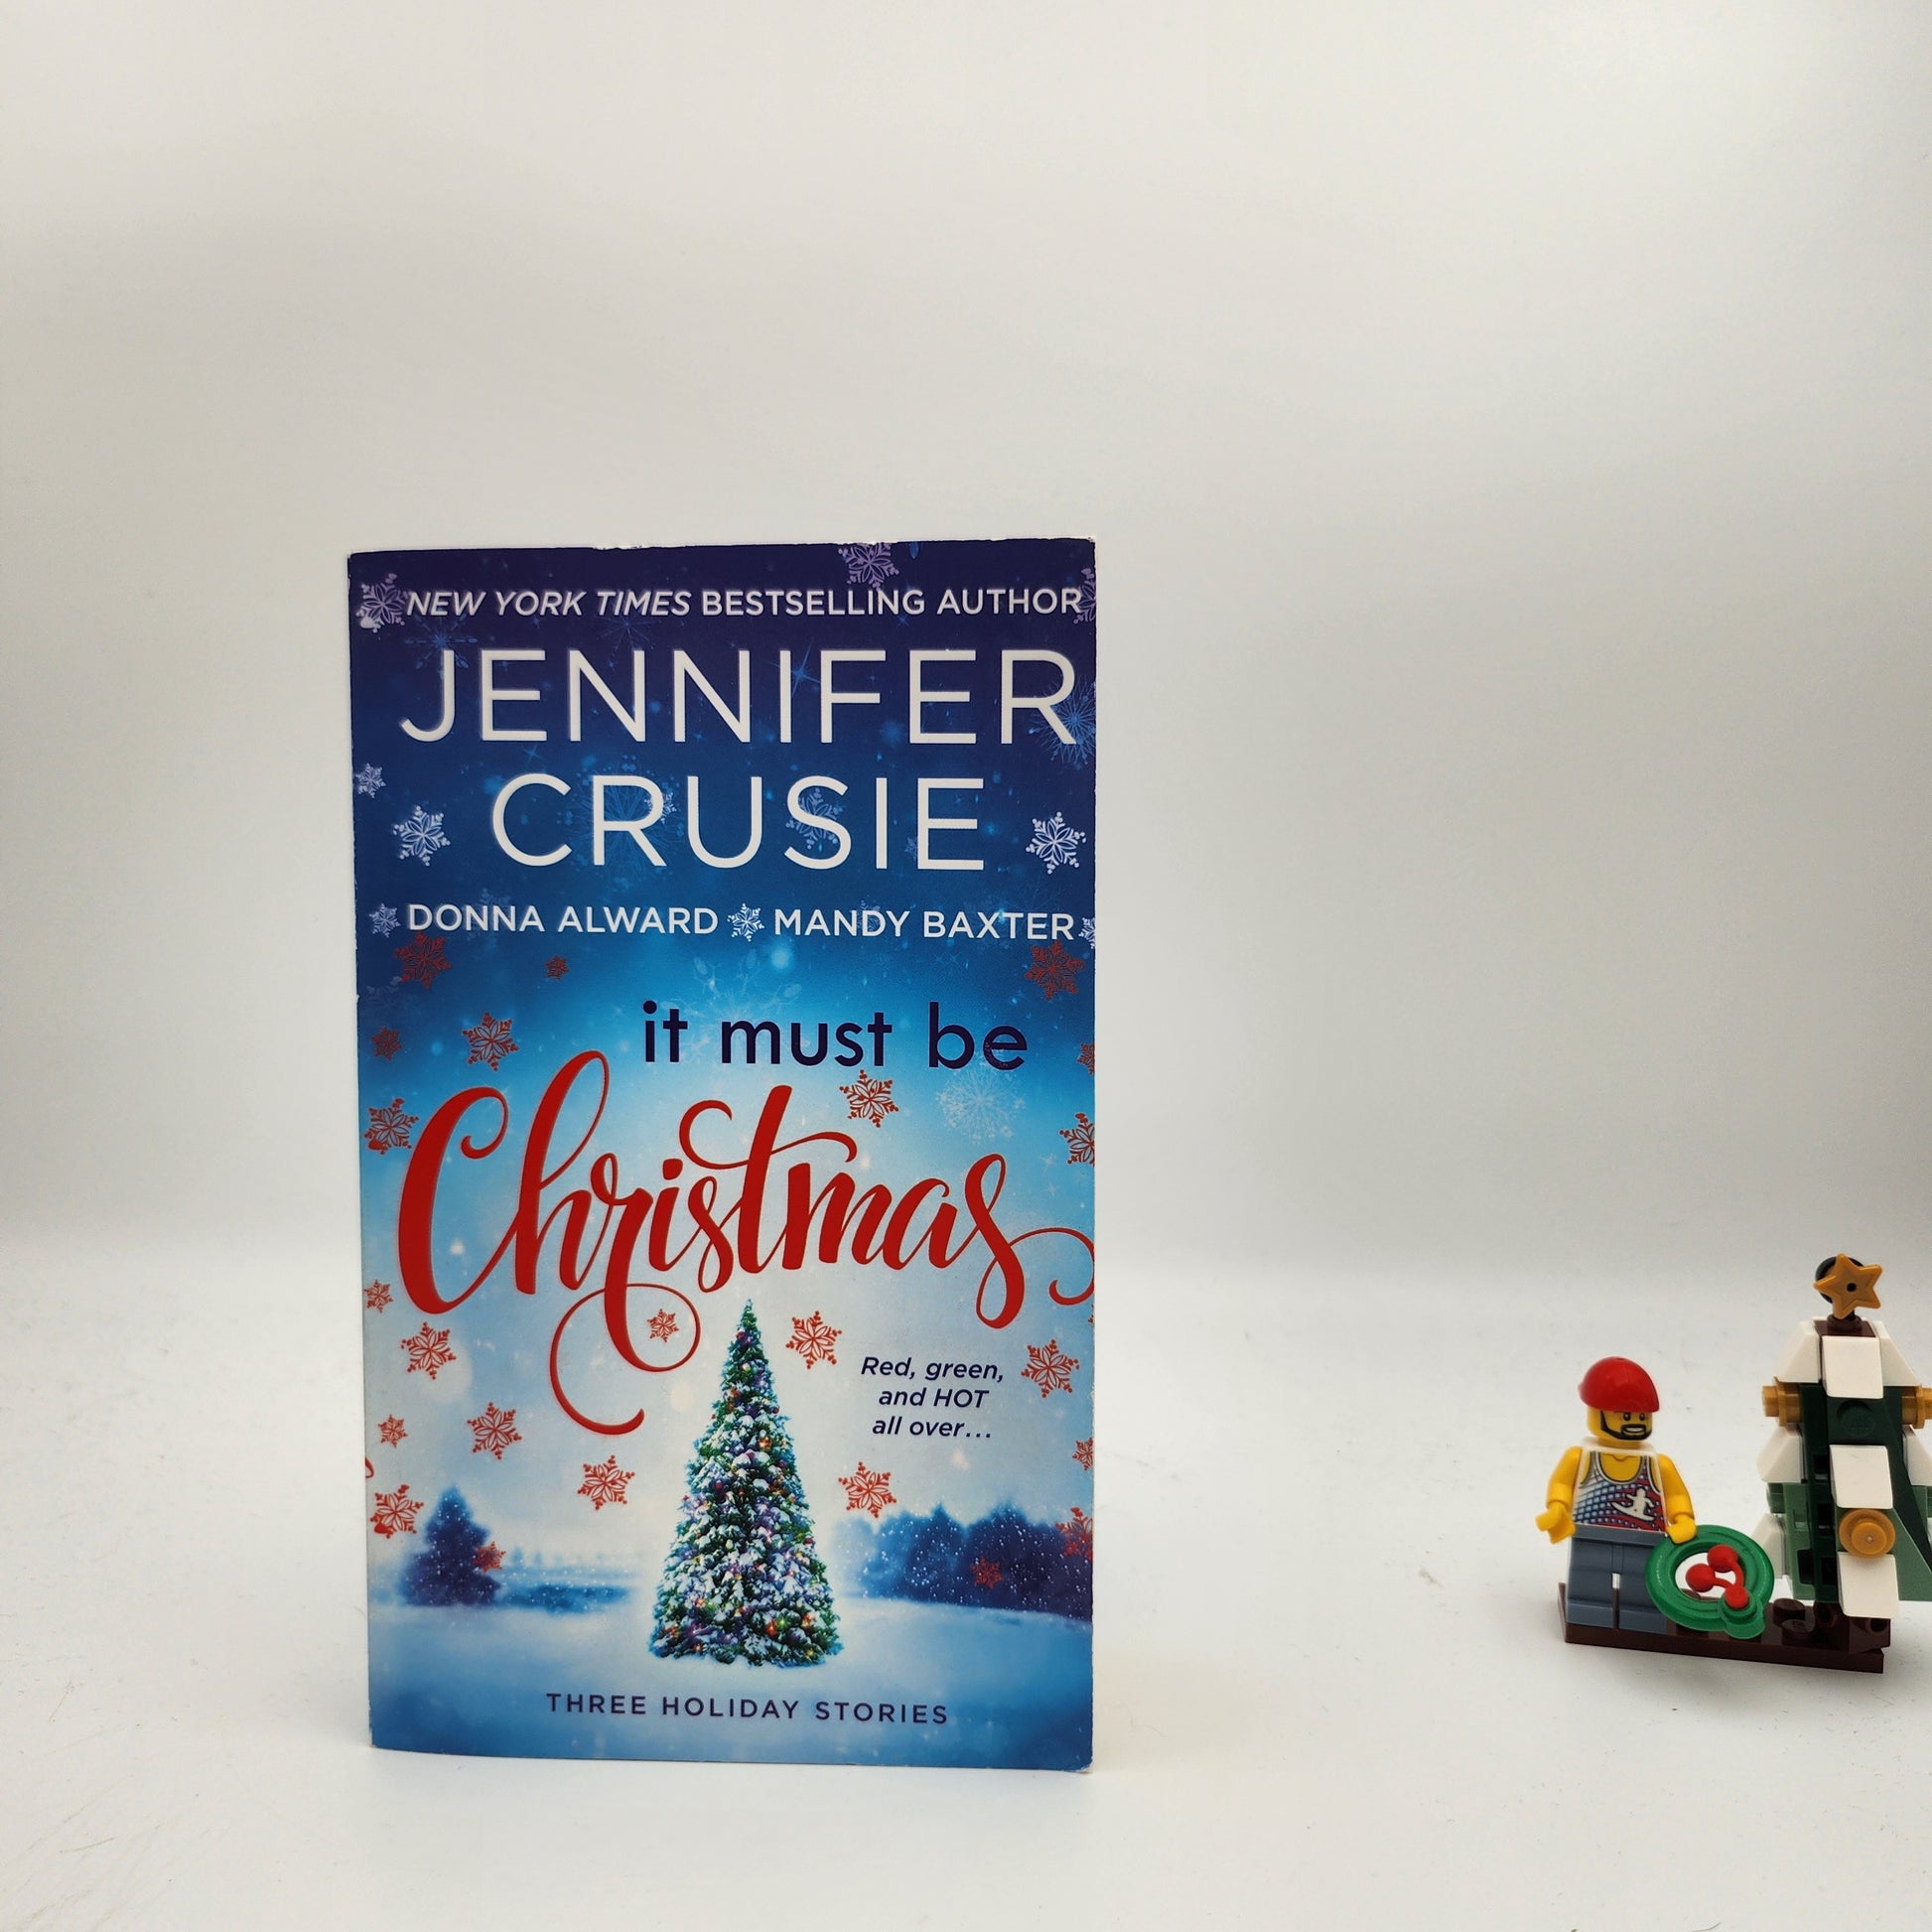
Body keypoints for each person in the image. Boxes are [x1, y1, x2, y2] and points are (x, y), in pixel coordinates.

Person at [1538, 1357, 1696, 1632]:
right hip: (1590, 1535)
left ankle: (1642, 1614)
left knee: (1642, 1584)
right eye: (1624, 1415)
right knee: (1588, 1577)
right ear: (1596, 1412)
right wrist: (1558, 1506)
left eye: (1641, 1416)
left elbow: (1675, 1495)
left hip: (1646, 1539)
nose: (1634, 1422)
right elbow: (1561, 1483)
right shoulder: (1581, 1458)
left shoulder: (1658, 1464)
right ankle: (1587, 1606)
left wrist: (1683, 1518)